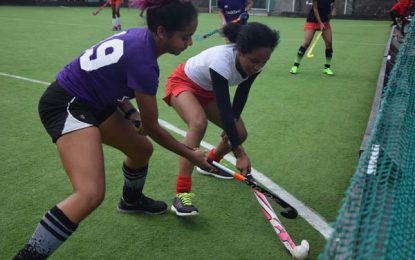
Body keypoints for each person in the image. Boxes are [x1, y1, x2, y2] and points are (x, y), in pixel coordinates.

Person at [14, 0, 213, 259]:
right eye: (184, 37)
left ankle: (130, 201)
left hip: (97, 102)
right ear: (162, 32)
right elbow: (152, 126)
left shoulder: (141, 38)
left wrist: (130, 113)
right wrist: (190, 154)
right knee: (90, 194)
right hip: (67, 104)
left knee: (141, 149)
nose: (189, 43)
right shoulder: (145, 63)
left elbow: (110, 78)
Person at [163, 22, 280, 216]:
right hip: (183, 82)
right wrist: (239, 153)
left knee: (239, 132)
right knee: (198, 123)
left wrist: (233, 128)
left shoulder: (256, 62)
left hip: (207, 91)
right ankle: (181, 194)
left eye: (263, 62)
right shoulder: (221, 60)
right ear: (240, 50)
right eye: (253, 61)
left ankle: (211, 163)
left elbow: (241, 95)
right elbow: (225, 108)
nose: (257, 66)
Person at [290, 0, 336, 76]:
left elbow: (333, 2)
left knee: (329, 43)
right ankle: (295, 66)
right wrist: (320, 23)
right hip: (313, 20)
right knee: (306, 43)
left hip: (325, 21)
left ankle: (327, 68)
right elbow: (315, 9)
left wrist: (334, 9)